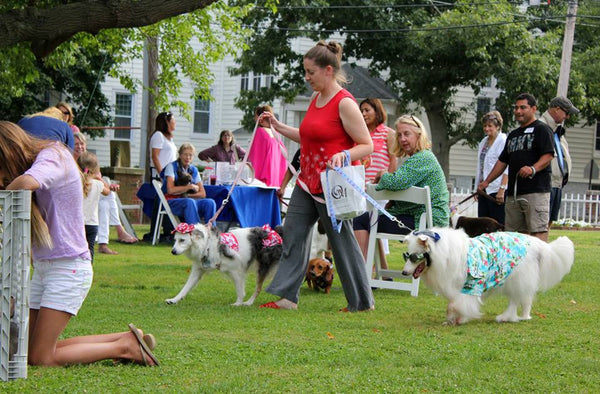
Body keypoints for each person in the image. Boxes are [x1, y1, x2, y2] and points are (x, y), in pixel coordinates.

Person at [0, 121, 158, 366]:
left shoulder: (53, 155)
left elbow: (25, 184)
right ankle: (125, 339)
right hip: (46, 268)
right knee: (27, 351)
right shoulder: (43, 160)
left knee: (42, 358)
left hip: (68, 269)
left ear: (10, 151)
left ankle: (126, 348)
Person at [258, 40, 375, 312]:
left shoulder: (344, 103)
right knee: (294, 235)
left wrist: (344, 155)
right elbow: (307, 138)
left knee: (342, 243)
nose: (307, 77)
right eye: (306, 71)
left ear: (329, 70)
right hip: (306, 181)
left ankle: (362, 302)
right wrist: (276, 125)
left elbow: (366, 144)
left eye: (311, 72)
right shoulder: (315, 99)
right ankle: (287, 298)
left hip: (331, 186)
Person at [354, 115, 450, 257]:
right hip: (422, 218)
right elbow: (403, 185)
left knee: (361, 221)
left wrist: (382, 174)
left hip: (426, 222)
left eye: (407, 134)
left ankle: (362, 271)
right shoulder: (420, 158)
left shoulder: (423, 158)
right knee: (373, 219)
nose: (402, 139)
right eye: (399, 135)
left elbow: (397, 181)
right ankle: (382, 272)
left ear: (419, 135)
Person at [478, 93, 555, 242]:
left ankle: (540, 264)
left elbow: (548, 155)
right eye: (516, 108)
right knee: (514, 236)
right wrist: (486, 181)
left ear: (534, 109)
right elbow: (502, 162)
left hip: (536, 191)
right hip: (514, 193)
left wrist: (533, 168)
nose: (518, 111)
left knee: (537, 232)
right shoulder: (513, 135)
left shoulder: (542, 129)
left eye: (523, 107)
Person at [73, 133, 138, 255]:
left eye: (82, 143)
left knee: (106, 202)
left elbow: (99, 181)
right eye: (76, 144)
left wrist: (107, 186)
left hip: (89, 201)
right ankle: (118, 231)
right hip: (80, 202)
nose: (80, 146)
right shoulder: (71, 163)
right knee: (106, 200)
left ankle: (104, 243)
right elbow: (98, 183)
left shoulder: (88, 160)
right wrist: (106, 186)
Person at [358, 97, 398, 273]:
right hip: (360, 186)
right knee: (367, 226)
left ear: (377, 111)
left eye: (367, 110)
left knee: (375, 225)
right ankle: (379, 269)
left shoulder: (388, 133)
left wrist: (389, 183)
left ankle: (374, 268)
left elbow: (393, 159)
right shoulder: (360, 134)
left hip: (380, 188)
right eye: (362, 110)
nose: (363, 113)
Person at [539, 96, 577, 226]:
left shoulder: (557, 130)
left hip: (557, 184)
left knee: (547, 224)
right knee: (539, 226)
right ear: (556, 109)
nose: (567, 117)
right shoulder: (541, 127)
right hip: (544, 185)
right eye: (566, 113)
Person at [162, 143, 217, 225]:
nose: (188, 157)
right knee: (189, 202)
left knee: (210, 202)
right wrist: (189, 187)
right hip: (172, 201)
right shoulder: (171, 167)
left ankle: (211, 231)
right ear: (180, 155)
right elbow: (170, 190)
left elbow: (202, 194)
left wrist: (186, 195)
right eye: (185, 154)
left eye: (190, 155)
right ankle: (196, 232)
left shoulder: (194, 170)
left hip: (188, 200)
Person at [474, 111, 508, 225]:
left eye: (490, 126)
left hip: (496, 190)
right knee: (483, 224)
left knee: (497, 224)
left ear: (498, 126)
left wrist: (502, 189)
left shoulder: (503, 141)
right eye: (485, 126)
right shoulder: (483, 142)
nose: (486, 129)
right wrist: (477, 188)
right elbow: (481, 166)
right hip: (484, 189)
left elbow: (507, 166)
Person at [77, 151, 110, 262]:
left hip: (78, 222)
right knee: (90, 249)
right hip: (92, 223)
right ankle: (88, 270)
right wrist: (99, 178)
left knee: (77, 249)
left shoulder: (77, 183)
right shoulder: (98, 184)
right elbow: (107, 191)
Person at [247, 105, 288, 187]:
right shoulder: (276, 135)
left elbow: (256, 158)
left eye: (255, 116)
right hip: (275, 180)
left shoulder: (260, 132)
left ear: (260, 117)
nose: (254, 119)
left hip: (262, 182)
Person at [150, 111, 177, 180]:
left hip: (170, 175)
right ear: (167, 122)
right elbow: (155, 157)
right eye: (173, 119)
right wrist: (162, 175)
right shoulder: (158, 135)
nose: (175, 122)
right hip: (160, 176)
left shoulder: (170, 139)